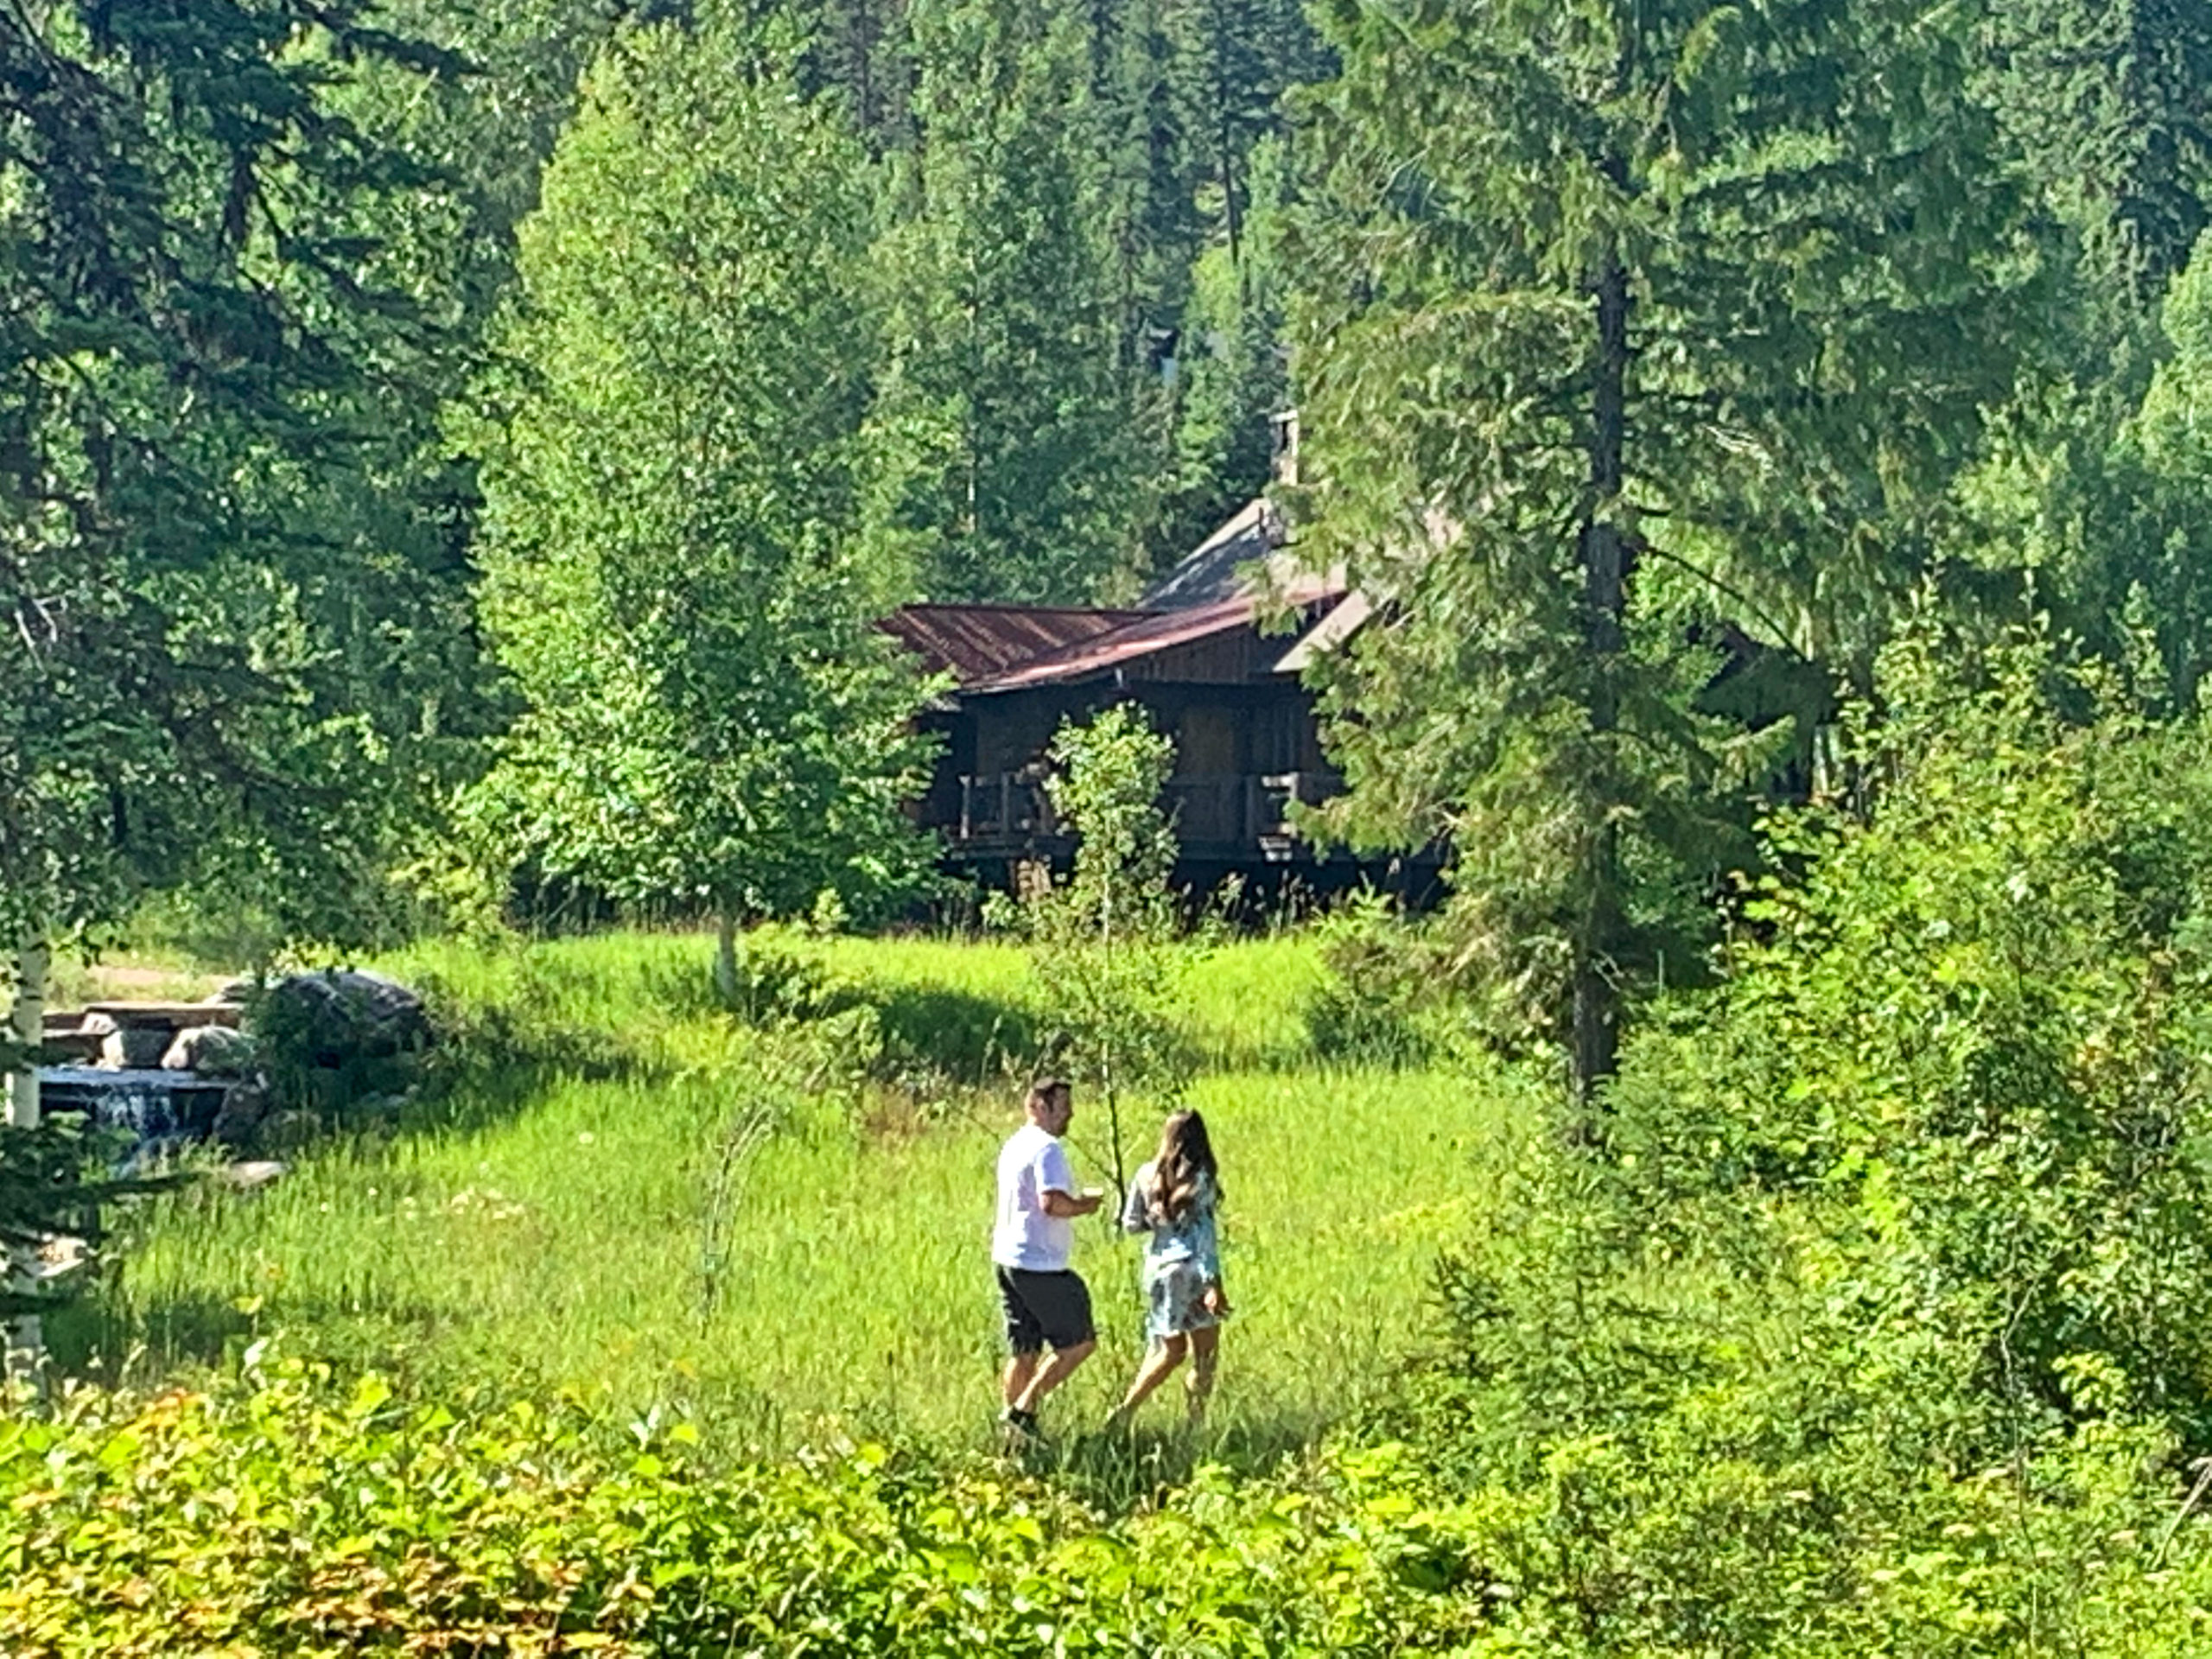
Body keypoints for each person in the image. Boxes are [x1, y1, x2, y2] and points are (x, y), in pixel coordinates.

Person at [992, 1077, 1103, 1440]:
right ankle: (1023, 1411)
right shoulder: (1046, 1149)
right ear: (1039, 1106)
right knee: (1079, 1343)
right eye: (1063, 1107)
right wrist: (1085, 1205)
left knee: (1024, 1350)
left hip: (1008, 1259)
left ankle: (1013, 1438)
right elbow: (1051, 1203)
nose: (1069, 1115)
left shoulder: (1014, 1144)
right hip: (1040, 1264)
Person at [1108, 1109, 1230, 1429]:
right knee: (1204, 1356)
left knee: (1167, 1348)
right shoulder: (1201, 1177)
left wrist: (1161, 1220)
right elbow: (1204, 1235)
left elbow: (1131, 1224)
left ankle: (1127, 1409)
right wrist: (1213, 1282)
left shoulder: (1146, 1174)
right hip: (1193, 1270)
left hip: (1160, 1271)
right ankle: (1194, 1422)